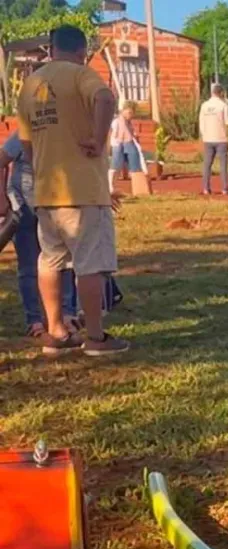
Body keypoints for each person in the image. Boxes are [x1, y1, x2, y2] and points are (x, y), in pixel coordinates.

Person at [16, 25, 128, 356]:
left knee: (50, 261)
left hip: (46, 191)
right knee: (90, 264)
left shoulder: (30, 85)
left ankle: (55, 332)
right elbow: (105, 97)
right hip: (83, 191)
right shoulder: (80, 74)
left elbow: (26, 144)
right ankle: (95, 337)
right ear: (82, 52)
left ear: (51, 49)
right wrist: (98, 137)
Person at [0, 131, 78, 338]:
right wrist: (2, 198)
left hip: (56, 207)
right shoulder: (24, 133)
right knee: (29, 266)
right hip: (24, 209)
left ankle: (66, 315)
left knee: (64, 263)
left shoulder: (65, 130)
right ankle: (34, 320)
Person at [199, 83, 228, 195]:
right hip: (221, 138)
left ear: (212, 92)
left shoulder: (204, 105)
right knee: (223, 165)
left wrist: (204, 135)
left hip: (208, 138)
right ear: (221, 93)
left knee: (207, 164)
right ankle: (224, 188)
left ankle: (206, 188)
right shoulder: (224, 105)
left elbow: (201, 123)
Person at [108, 101, 142, 192]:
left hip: (127, 143)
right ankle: (110, 186)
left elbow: (131, 132)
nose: (130, 115)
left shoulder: (128, 123)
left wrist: (134, 135)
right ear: (123, 111)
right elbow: (113, 134)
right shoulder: (116, 121)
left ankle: (138, 185)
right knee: (116, 165)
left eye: (132, 113)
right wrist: (113, 144)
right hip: (117, 144)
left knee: (133, 158)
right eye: (129, 112)